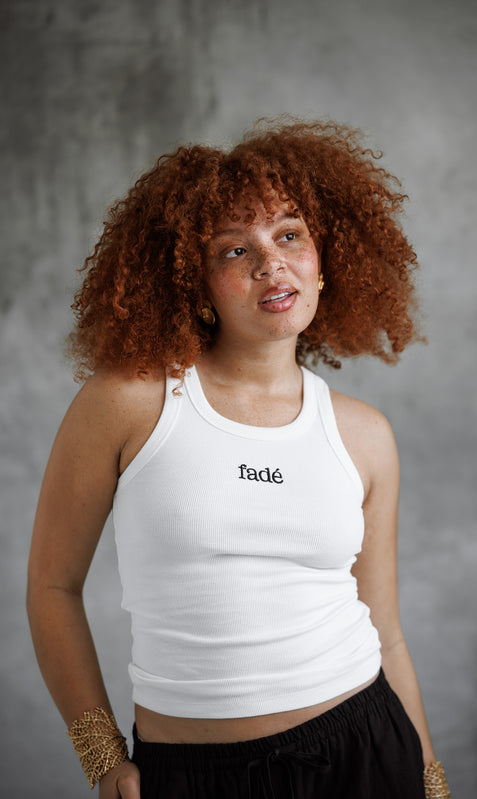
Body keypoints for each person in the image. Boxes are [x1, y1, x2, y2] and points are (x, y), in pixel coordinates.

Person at [27, 118, 451, 799]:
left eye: (290, 235)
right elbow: (52, 586)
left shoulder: (363, 434)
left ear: (324, 259)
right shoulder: (129, 402)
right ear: (192, 279)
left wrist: (429, 779)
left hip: (367, 750)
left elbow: (387, 630)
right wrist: (102, 756)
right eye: (233, 249)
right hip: (193, 775)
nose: (270, 264)